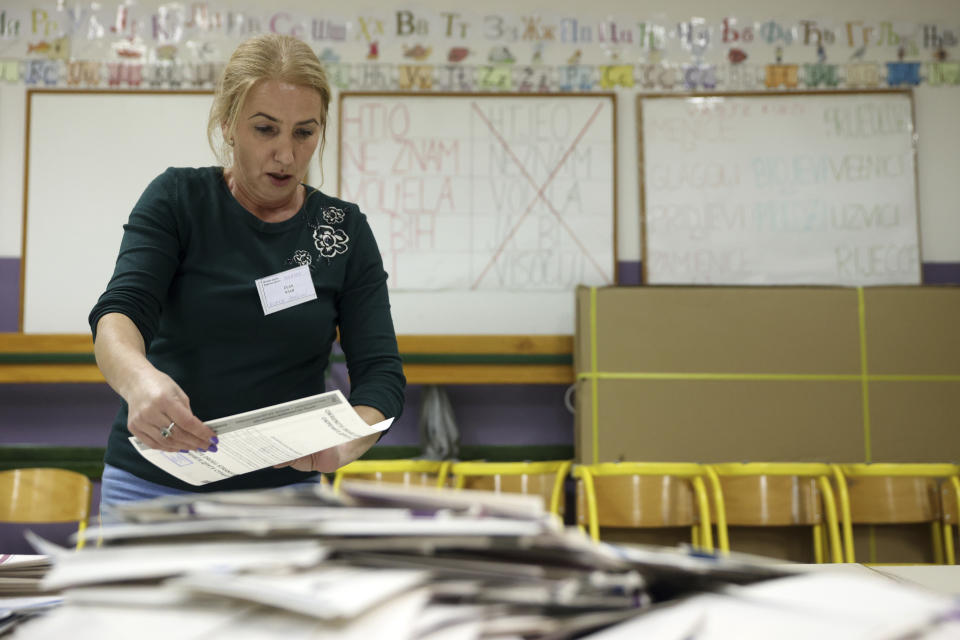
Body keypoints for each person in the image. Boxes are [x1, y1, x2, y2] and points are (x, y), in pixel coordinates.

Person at [89, 34, 405, 507]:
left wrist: (347, 441)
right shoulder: (178, 199)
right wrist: (139, 381)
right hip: (150, 486)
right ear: (228, 123)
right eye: (265, 129)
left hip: (282, 497)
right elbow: (119, 314)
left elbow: (381, 375)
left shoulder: (342, 230)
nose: (286, 154)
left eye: (304, 132)